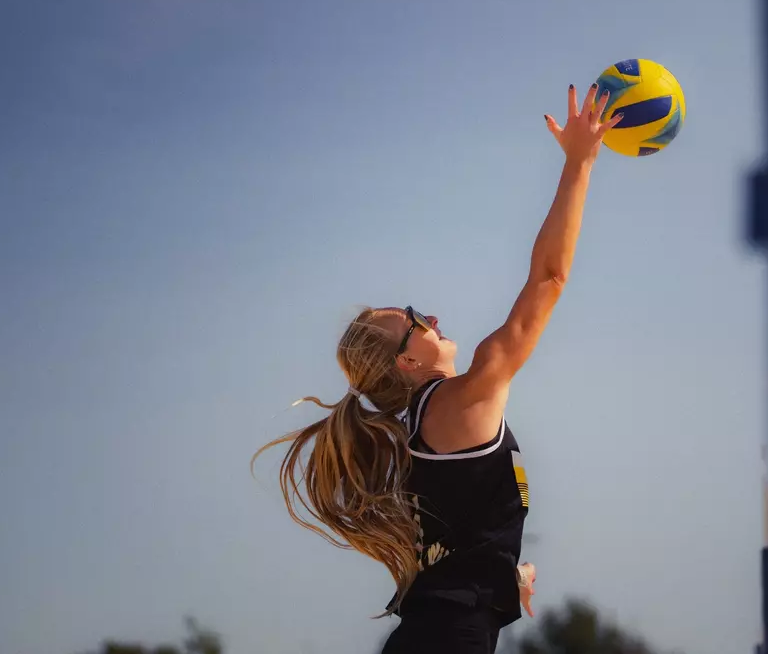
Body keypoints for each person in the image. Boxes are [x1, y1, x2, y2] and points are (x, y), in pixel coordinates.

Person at [252, 83, 622, 653]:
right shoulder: (455, 406)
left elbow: (450, 542)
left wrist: (499, 577)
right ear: (407, 358)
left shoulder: (422, 428)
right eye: (416, 316)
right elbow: (548, 279)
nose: (433, 317)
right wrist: (579, 163)